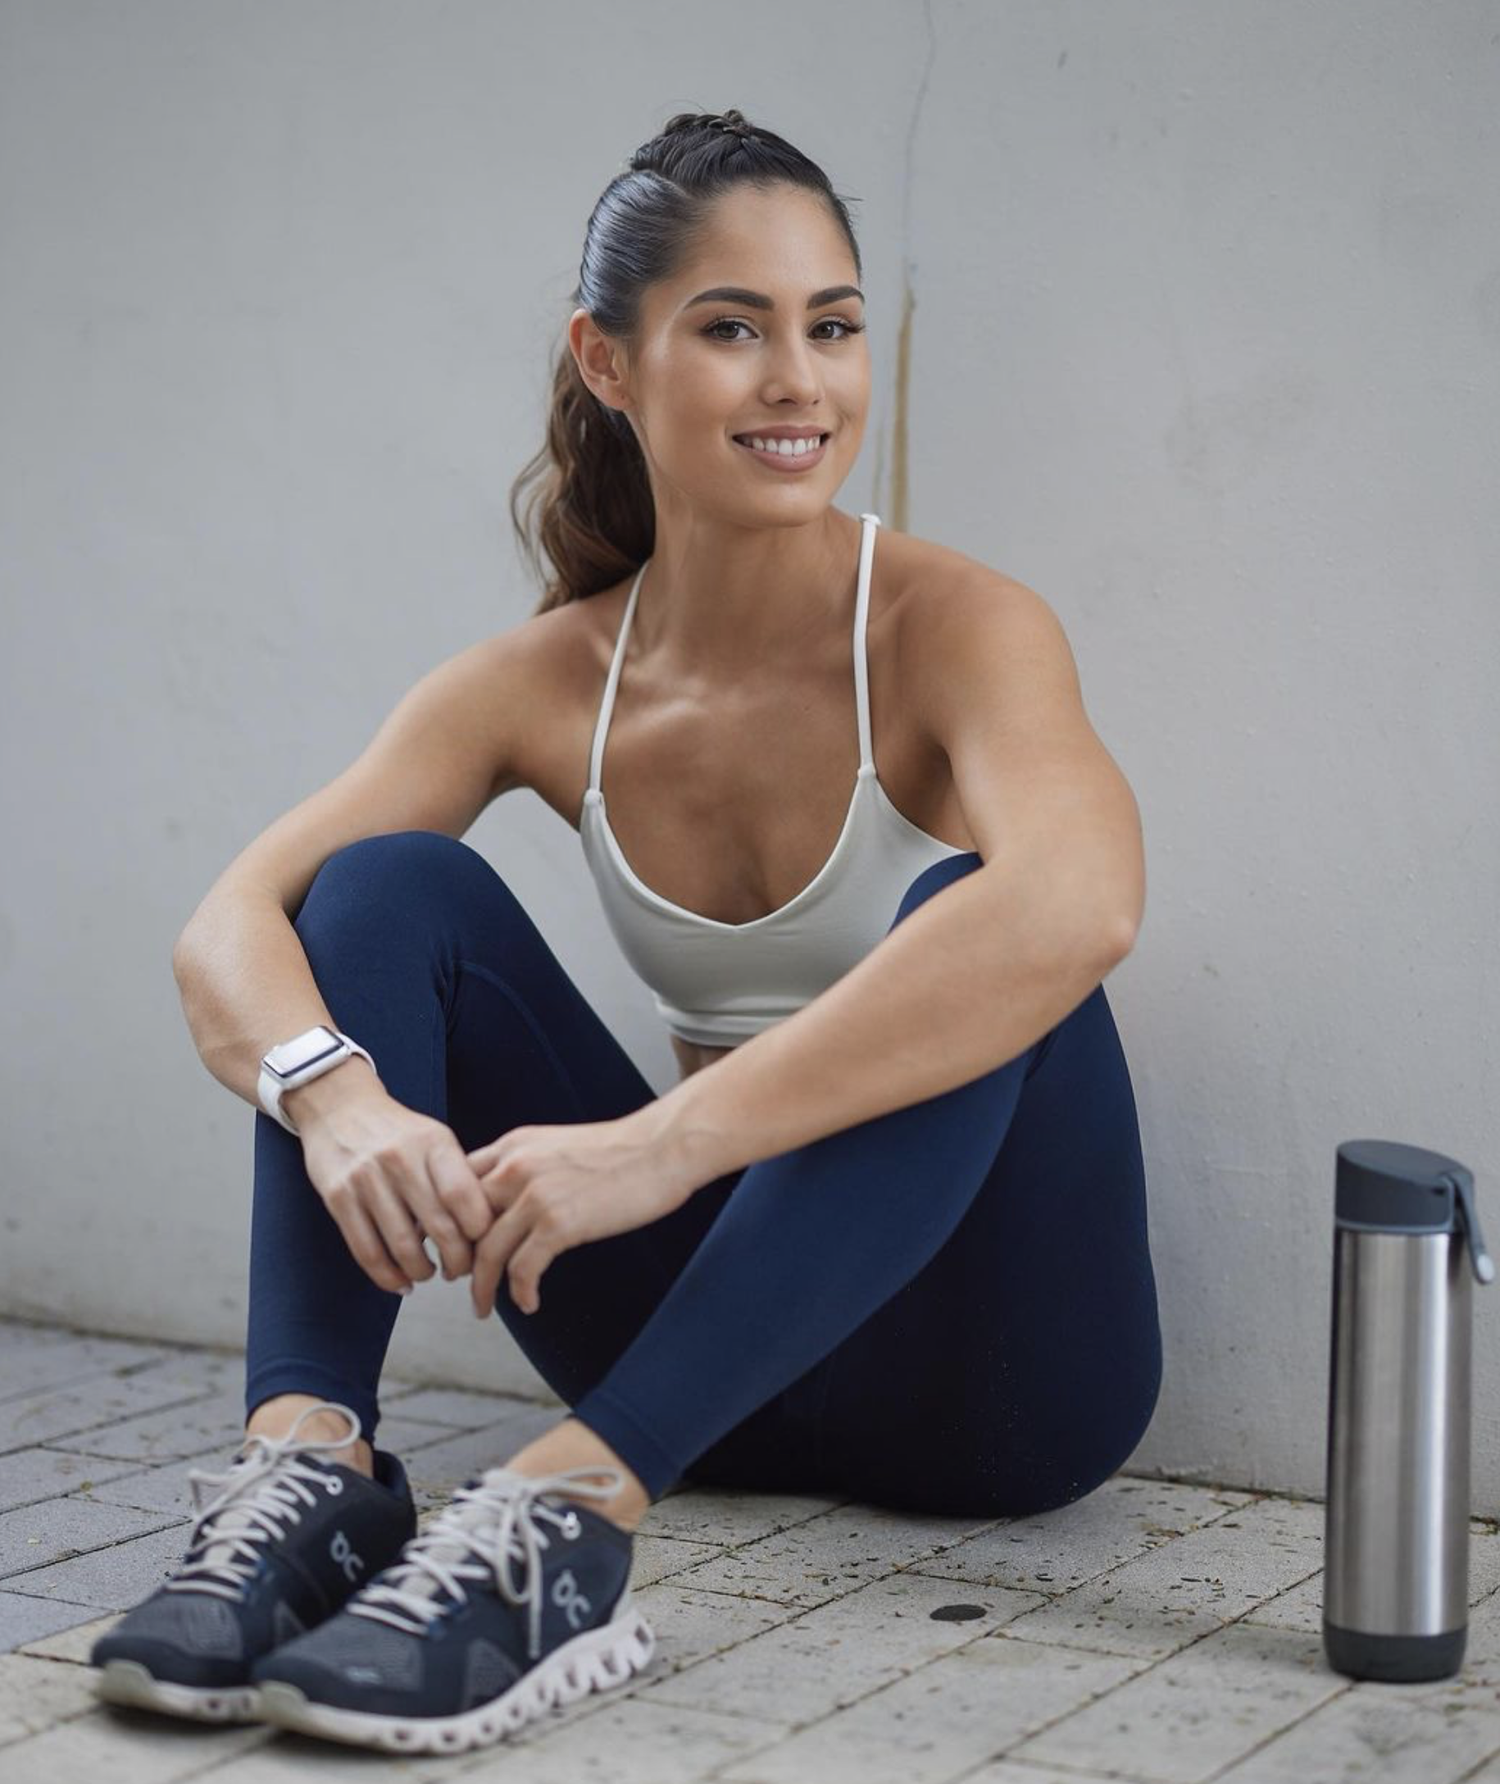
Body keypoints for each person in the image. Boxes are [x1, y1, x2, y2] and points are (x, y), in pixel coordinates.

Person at [90, 106, 1162, 1757]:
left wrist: (661, 1144)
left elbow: (1085, 903)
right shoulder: (543, 684)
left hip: (996, 1391)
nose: (799, 381)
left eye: (834, 326)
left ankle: (563, 1527)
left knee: (991, 934)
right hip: (714, 1369)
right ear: (609, 361)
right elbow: (228, 924)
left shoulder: (957, 628)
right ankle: (306, 1471)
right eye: (732, 328)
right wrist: (338, 1094)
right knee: (381, 891)